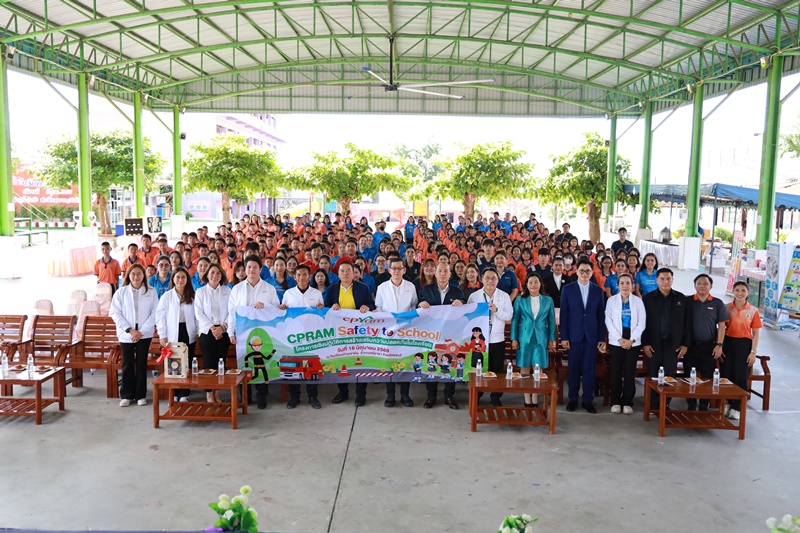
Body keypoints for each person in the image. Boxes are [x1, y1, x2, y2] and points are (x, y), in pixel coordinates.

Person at [228, 256, 280, 409]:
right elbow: (231, 312)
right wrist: (231, 332)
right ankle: (245, 397)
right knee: (244, 365)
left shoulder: (269, 288)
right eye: (249, 267)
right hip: (242, 333)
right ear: (245, 269)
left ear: (260, 269)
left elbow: (277, 309)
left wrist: (266, 305)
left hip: (263, 333)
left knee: (261, 365)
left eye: (255, 267)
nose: (252, 270)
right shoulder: (237, 289)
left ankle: (262, 396)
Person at [324, 261, 375, 407]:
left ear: (354, 273)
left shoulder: (363, 288)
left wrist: (367, 307)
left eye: (348, 271)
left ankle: (360, 394)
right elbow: (325, 308)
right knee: (342, 362)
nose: (345, 273)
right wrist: (331, 307)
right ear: (338, 274)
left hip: (359, 332)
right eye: (342, 271)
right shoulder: (332, 289)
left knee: (360, 362)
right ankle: (343, 392)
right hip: (340, 333)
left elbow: (371, 305)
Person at [559, 259, 606, 413]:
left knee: (589, 370)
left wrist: (601, 338)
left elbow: (601, 316)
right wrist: (564, 337)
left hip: (591, 336)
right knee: (573, 369)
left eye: (588, 271)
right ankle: (572, 399)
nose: (585, 274)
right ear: (576, 272)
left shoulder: (597, 291)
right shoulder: (568, 289)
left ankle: (587, 400)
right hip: (574, 336)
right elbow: (564, 315)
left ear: (592, 273)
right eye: (582, 271)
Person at [109, 263, 159, 407]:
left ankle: (140, 395)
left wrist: (141, 331)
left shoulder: (151, 291)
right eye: (133, 274)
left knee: (141, 364)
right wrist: (130, 330)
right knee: (127, 364)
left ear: (144, 276)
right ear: (128, 276)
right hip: (127, 334)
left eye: (139, 274)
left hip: (144, 334)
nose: (136, 277)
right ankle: (127, 395)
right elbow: (115, 313)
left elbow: (155, 313)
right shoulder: (121, 292)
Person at [641, 267, 690, 410]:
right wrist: (645, 343)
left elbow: (687, 323)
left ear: (672, 280)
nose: (665, 282)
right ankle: (652, 404)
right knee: (653, 373)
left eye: (668, 279)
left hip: (673, 344)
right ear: (656, 280)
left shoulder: (681, 298)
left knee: (669, 374)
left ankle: (665, 404)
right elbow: (642, 322)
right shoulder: (648, 298)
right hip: (653, 343)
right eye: (662, 279)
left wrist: (685, 344)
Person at [419, 262, 465, 409]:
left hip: (451, 335)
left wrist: (461, 303)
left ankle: (449, 396)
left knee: (449, 363)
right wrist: (420, 304)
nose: (443, 274)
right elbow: (418, 307)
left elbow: (465, 309)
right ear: (435, 273)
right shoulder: (426, 290)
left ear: (450, 274)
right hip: (432, 334)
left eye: (446, 271)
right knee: (431, 362)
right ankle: (431, 396)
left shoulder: (457, 291)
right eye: (440, 271)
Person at [375, 257, 419, 408]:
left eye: (399, 268)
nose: (396, 271)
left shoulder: (410, 286)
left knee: (405, 362)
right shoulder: (382, 287)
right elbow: (379, 307)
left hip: (406, 331)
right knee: (390, 363)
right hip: (388, 331)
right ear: (389, 270)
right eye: (393, 268)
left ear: (404, 270)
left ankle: (405, 395)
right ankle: (390, 395)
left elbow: (414, 306)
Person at [280, 264, 324, 409]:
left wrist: (321, 309)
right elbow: (282, 314)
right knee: (294, 366)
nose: (302, 278)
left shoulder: (316, 294)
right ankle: (294, 397)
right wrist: (282, 309)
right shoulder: (288, 294)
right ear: (294, 277)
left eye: (305, 274)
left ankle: (313, 396)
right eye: (299, 275)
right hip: (294, 336)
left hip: (311, 336)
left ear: (309, 277)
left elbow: (321, 315)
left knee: (312, 366)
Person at [467, 268, 514, 406]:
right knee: (478, 368)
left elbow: (509, 315)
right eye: (487, 277)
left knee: (496, 369)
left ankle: (495, 396)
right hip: (479, 340)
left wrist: (497, 310)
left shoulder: (504, 296)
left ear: (497, 280)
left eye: (493, 278)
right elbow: (468, 316)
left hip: (497, 339)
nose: (490, 281)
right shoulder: (474, 296)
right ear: (482, 279)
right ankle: (477, 394)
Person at [510, 273, 556, 408]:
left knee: (538, 367)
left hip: (541, 337)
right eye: (530, 282)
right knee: (524, 367)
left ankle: (535, 397)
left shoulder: (548, 300)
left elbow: (552, 321)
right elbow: (515, 320)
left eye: (536, 282)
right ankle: (527, 398)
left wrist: (552, 339)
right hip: (524, 337)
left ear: (540, 284)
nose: (533, 285)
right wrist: (514, 338)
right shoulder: (520, 300)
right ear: (526, 285)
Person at [685, 273, 728, 411]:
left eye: (705, 284)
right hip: (690, 346)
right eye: (699, 283)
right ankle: (691, 403)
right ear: (694, 286)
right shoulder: (687, 301)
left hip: (709, 346)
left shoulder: (717, 303)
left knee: (707, 376)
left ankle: (704, 404)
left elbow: (722, 326)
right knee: (689, 375)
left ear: (711, 286)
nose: (702, 286)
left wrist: (719, 345)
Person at [605, 273, 646, 415]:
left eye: (628, 283)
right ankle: (615, 401)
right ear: (617, 285)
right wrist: (619, 339)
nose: (625, 286)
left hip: (633, 341)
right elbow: (608, 321)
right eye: (622, 283)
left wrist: (632, 340)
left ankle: (628, 402)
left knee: (629, 372)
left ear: (632, 285)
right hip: (616, 340)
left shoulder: (638, 301)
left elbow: (642, 323)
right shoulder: (611, 301)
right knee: (615, 371)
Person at [722, 281, 762, 421]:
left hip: (744, 345)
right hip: (728, 343)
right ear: (733, 292)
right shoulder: (726, 308)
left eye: (743, 290)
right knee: (726, 375)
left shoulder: (753, 310)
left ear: (748, 293)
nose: (740, 293)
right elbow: (721, 328)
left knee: (740, 376)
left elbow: (756, 333)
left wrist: (753, 352)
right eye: (737, 290)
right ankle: (726, 403)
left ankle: (737, 407)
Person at [156, 267, 198, 402]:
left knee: (186, 362)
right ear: (173, 279)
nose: (180, 280)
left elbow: (197, 315)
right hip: (172, 332)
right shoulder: (167, 296)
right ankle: (174, 392)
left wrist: (198, 331)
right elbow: (160, 317)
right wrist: (162, 334)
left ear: (187, 279)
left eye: (183, 277)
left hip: (188, 331)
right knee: (173, 363)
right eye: (178, 277)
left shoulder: (193, 295)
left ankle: (184, 393)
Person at [194, 263, 231, 403]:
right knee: (209, 363)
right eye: (212, 273)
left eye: (218, 273)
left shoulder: (227, 291)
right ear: (207, 275)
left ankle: (217, 392)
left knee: (221, 363)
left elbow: (231, 311)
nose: (215, 276)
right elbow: (199, 313)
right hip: (207, 332)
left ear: (221, 275)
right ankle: (209, 393)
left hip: (223, 332)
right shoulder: (200, 292)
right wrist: (213, 328)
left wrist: (223, 327)